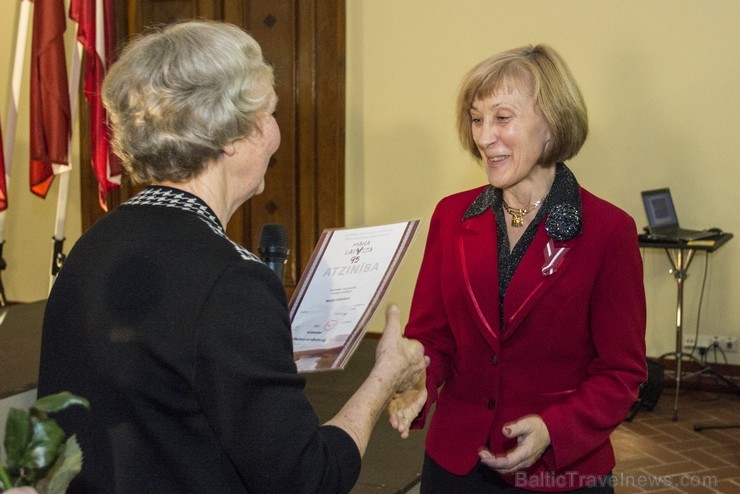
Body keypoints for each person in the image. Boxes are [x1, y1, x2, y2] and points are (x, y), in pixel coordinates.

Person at [36, 20, 427, 494]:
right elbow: (308, 479)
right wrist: (383, 376)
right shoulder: (230, 279)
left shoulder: (91, 247)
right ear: (230, 135)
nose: (276, 135)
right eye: (270, 115)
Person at [388, 45, 647, 492]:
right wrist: (419, 385)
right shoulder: (451, 217)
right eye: (476, 118)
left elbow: (621, 373)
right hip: (456, 465)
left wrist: (554, 428)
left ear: (551, 123)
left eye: (502, 118)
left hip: (561, 470)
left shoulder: (609, 231)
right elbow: (434, 338)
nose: (484, 137)